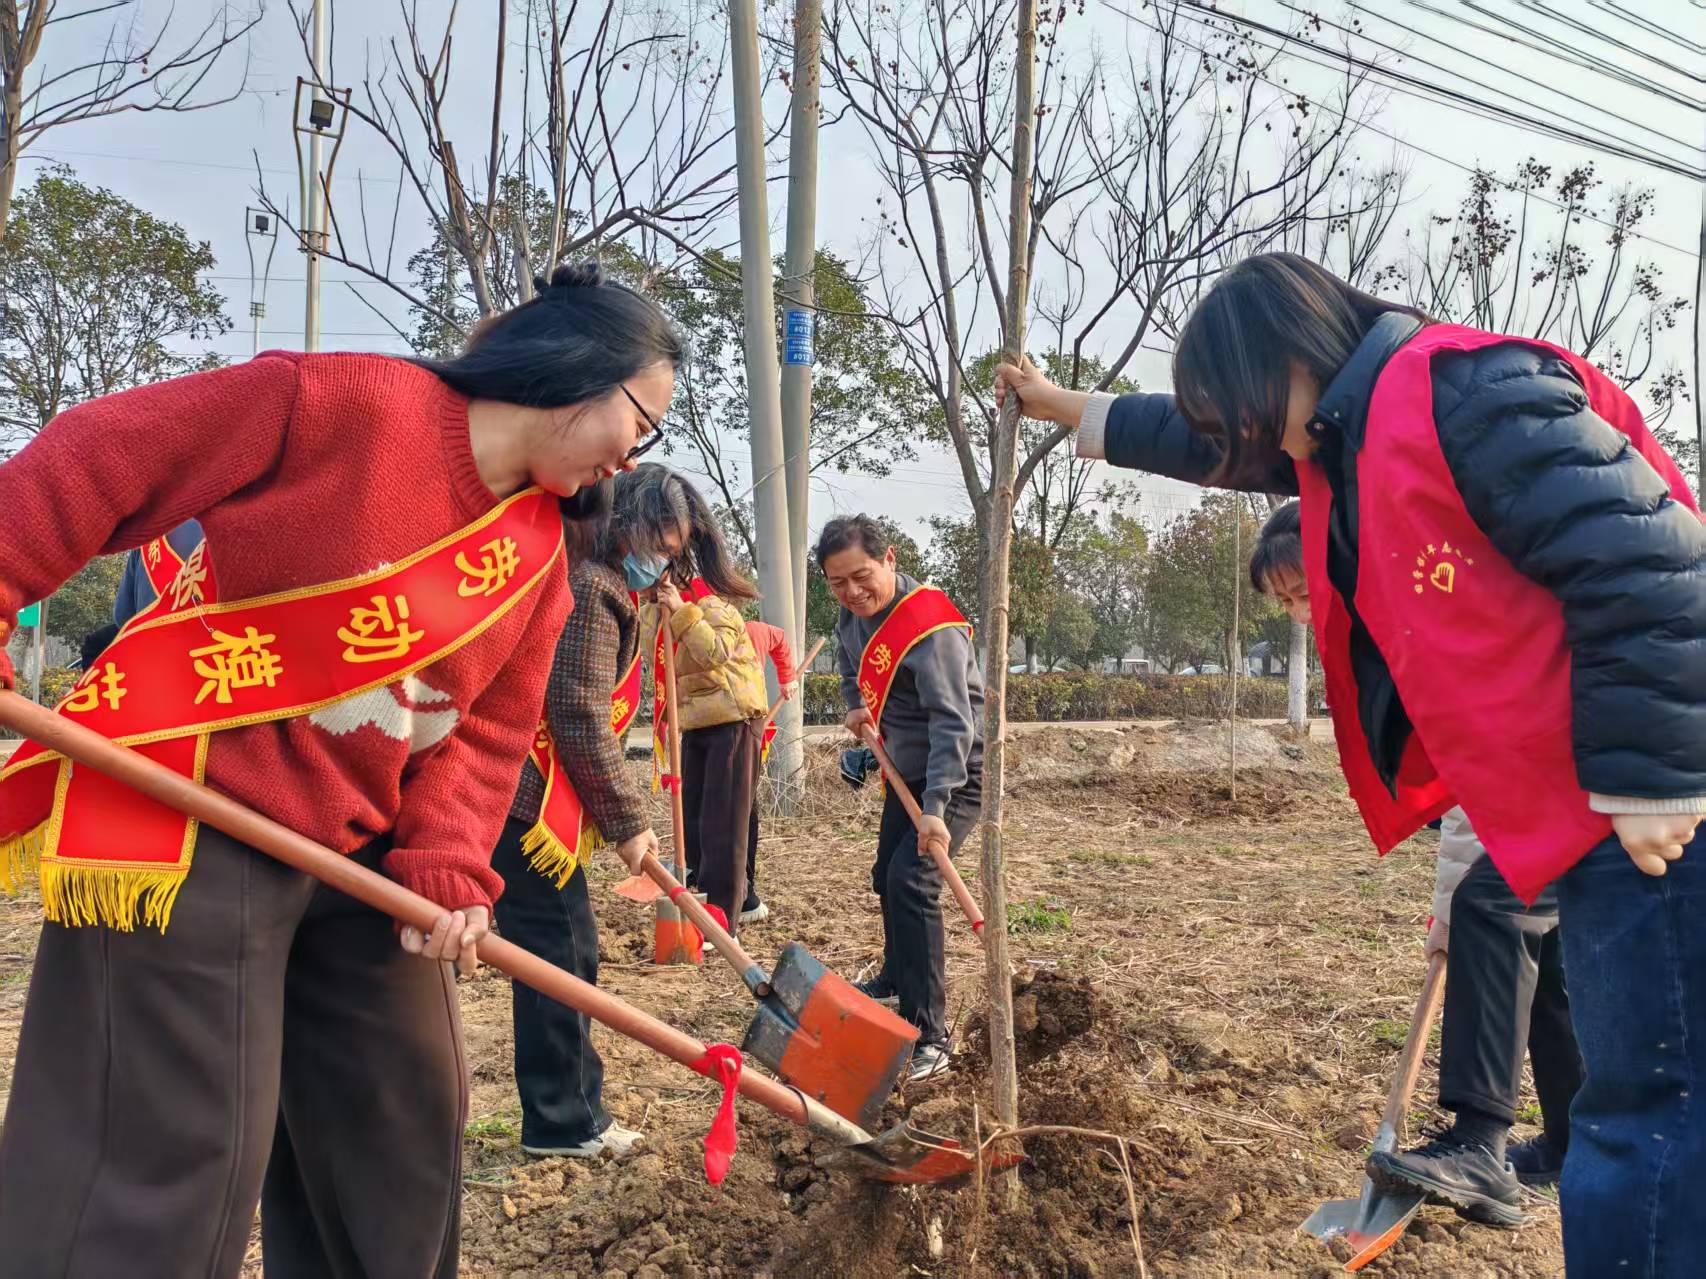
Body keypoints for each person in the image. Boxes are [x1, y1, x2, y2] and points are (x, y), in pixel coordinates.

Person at [995, 251, 1705, 1276]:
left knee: (1655, 1112)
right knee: (1638, 1102)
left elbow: (1651, 561)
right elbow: (1194, 443)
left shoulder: (1466, 391)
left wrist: (1646, 781)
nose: (1243, 444)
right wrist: (1068, 408)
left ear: (1285, 358)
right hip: (1582, 808)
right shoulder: (1347, 438)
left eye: (1239, 409)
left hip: (1647, 808)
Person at [0, 261, 682, 1278]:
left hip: (360, 844)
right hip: (196, 799)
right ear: (581, 372)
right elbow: (101, 455)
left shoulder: (538, 556)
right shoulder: (341, 404)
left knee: (402, 1120)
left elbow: (489, 735)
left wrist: (449, 862)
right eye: (644, 421)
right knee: (182, 1149)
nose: (633, 457)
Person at [1251, 501, 1583, 1219]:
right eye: (1285, 605)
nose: (1299, 616)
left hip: (1590, 746)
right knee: (1538, 948)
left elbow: (1473, 775)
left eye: (1301, 593)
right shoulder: (1384, 622)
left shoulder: (1414, 610)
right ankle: (1570, 1140)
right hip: (1553, 759)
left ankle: (1480, 1143)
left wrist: (1451, 906)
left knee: (1492, 906)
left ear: (1333, 562)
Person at [489, 467, 697, 1163]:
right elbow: (577, 711)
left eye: (672, 548)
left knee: (569, 948)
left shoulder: (607, 586)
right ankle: (560, 1120)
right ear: (622, 522)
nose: (661, 559)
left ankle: (573, 1108)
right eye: (656, 541)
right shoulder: (591, 587)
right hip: (524, 804)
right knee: (556, 955)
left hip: (535, 807)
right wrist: (628, 821)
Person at [819, 514, 983, 1084]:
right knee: (883, 877)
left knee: (912, 883)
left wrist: (936, 806)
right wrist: (853, 704)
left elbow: (953, 724)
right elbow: (847, 664)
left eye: (862, 576)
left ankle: (931, 1033)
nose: (852, 592)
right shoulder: (851, 611)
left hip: (955, 773)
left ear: (889, 558)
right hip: (904, 769)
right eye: (837, 583)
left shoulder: (929, 626)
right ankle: (896, 973)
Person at [631, 465, 764, 935]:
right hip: (693, 725)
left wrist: (682, 612)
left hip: (733, 721)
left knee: (723, 826)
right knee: (697, 821)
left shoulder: (716, 608)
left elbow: (713, 655)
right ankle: (704, 904)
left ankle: (722, 920)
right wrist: (655, 613)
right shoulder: (652, 611)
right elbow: (649, 657)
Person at [736, 618, 798, 924]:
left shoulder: (753, 630)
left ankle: (743, 892)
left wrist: (787, 678)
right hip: (703, 729)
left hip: (746, 724)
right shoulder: (690, 624)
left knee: (742, 810)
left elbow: (780, 638)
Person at [114, 517, 204, 625]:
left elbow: (123, 616)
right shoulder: (226, 523)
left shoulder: (150, 527)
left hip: (149, 638)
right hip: (218, 638)